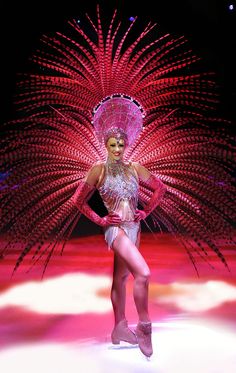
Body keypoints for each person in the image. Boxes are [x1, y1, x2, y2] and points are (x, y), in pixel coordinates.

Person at [72, 96, 166, 358]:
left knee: (122, 278)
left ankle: (119, 328)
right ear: (105, 144)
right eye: (113, 144)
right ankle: (145, 326)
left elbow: (160, 188)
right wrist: (101, 220)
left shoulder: (134, 168)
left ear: (127, 144)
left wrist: (147, 210)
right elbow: (78, 200)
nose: (117, 148)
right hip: (116, 230)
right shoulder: (98, 170)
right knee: (144, 274)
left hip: (134, 228)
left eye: (121, 144)